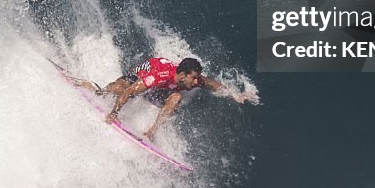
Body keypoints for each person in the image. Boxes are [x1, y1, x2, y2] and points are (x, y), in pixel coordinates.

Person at [95, 57, 255, 141]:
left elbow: (211, 84)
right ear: (183, 75)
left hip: (161, 90)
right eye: (193, 78)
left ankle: (150, 133)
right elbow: (130, 91)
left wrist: (235, 95)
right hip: (143, 76)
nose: (195, 82)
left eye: (196, 78)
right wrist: (114, 113)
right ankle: (98, 91)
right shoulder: (160, 75)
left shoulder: (194, 79)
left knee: (176, 97)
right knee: (118, 89)